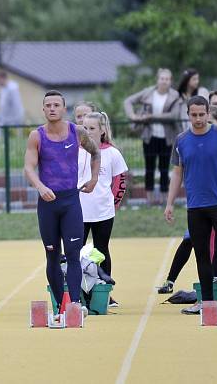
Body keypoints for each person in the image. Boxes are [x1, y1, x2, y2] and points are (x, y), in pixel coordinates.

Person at [164, 96, 217, 315]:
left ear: (207, 113)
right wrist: (170, 204)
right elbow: (177, 173)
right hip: (196, 208)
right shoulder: (182, 140)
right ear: (188, 114)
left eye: (202, 114)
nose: (199, 119)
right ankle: (207, 302)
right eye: (194, 115)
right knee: (201, 254)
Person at [24, 90, 101, 312]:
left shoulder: (76, 132)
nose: (52, 108)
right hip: (48, 203)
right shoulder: (36, 136)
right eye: (48, 105)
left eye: (56, 105)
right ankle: (60, 305)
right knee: (52, 255)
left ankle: (75, 304)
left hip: (71, 201)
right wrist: (40, 187)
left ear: (63, 108)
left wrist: (94, 179)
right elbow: (29, 167)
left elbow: (96, 153)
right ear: (43, 109)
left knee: (74, 254)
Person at [78, 112, 127, 307]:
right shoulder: (77, 151)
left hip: (103, 212)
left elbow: (120, 181)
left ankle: (105, 292)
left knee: (101, 250)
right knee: (77, 252)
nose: (88, 132)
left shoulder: (112, 153)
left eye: (92, 128)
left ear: (102, 130)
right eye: (85, 128)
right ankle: (79, 291)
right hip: (80, 211)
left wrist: (113, 204)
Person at [123, 68, 183, 205]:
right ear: (158, 80)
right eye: (162, 78)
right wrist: (132, 116)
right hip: (149, 136)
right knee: (149, 168)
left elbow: (173, 116)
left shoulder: (175, 95)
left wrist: (151, 117)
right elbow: (128, 101)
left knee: (164, 168)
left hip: (167, 138)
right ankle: (149, 199)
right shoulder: (148, 92)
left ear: (171, 81)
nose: (164, 81)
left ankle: (163, 199)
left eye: (167, 79)